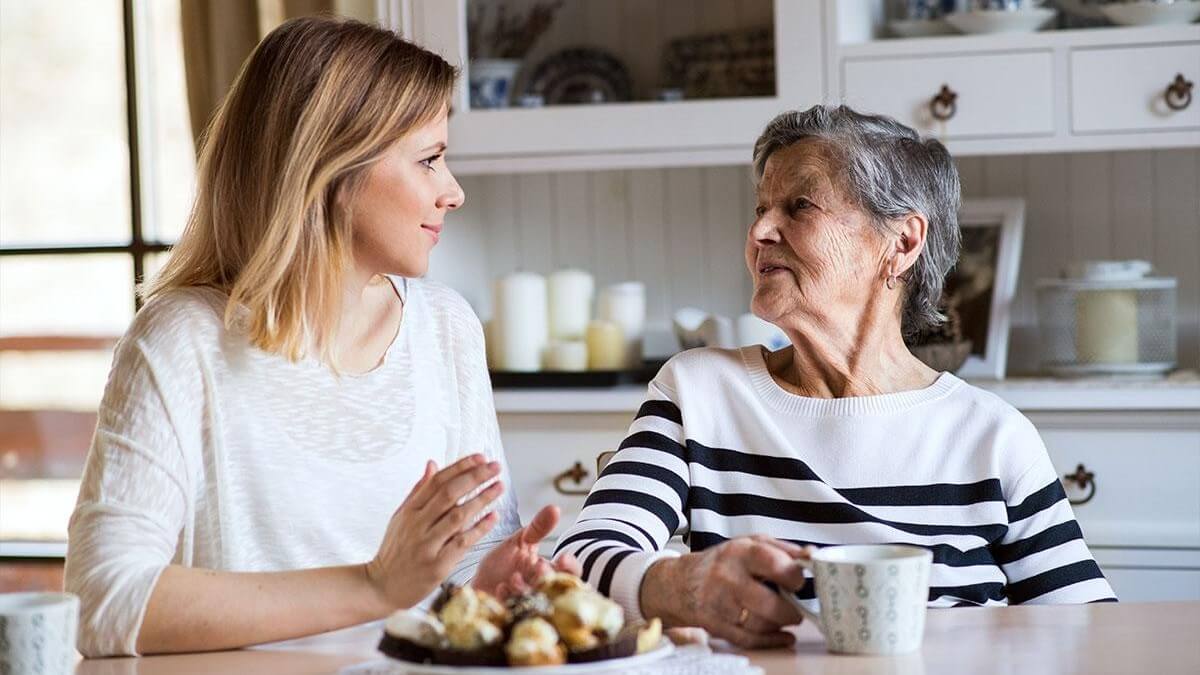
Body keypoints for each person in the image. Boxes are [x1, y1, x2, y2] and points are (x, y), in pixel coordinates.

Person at [65, 16, 572, 657]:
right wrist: (373, 585)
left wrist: (490, 584)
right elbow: (103, 601)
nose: (453, 192)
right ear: (331, 170)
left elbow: (456, 574)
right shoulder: (180, 341)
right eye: (430, 161)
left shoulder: (447, 328)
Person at [553, 105, 1116, 649]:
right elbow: (575, 565)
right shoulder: (699, 393)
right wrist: (683, 585)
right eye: (759, 210)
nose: (760, 233)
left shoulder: (990, 435)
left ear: (902, 242)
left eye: (799, 206)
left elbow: (1089, 635)